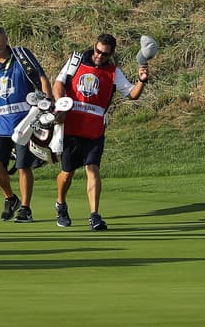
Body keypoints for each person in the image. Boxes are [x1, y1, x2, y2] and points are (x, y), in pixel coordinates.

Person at [53, 32, 148, 231]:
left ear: (111, 54)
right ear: (94, 47)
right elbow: (58, 84)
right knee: (67, 173)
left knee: (92, 169)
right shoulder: (75, 62)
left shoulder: (113, 72)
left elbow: (132, 94)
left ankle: (94, 215)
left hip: (95, 130)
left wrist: (142, 81)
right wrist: (61, 103)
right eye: (98, 51)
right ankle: (61, 204)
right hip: (71, 127)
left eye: (104, 54)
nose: (99, 56)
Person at [0, 26, 50, 224]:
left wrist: (49, 104)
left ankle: (25, 208)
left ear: (6, 39)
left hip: (25, 121)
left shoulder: (21, 56)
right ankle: (10, 198)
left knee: (23, 166)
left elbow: (41, 78)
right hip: (1, 123)